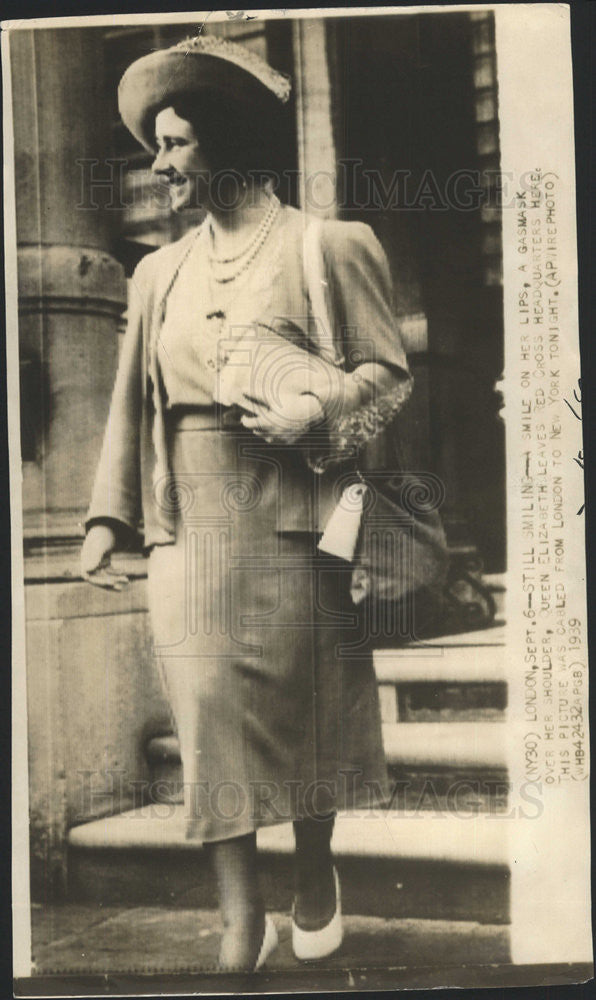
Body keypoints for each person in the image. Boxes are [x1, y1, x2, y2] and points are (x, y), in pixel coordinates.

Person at [81, 33, 413, 972]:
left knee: (308, 716)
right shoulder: (156, 274)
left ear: (225, 144)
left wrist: (314, 407)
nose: (161, 164)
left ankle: (314, 869)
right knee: (205, 716)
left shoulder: (327, 247)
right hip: (189, 525)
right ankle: (241, 919)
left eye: (178, 144)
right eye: (158, 144)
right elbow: (128, 406)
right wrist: (109, 519)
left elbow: (387, 376)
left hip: (296, 516)